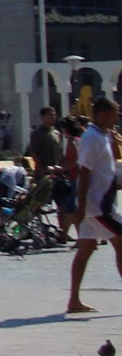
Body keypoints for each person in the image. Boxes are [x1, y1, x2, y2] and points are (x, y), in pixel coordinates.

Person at [67, 96, 122, 314]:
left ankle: (74, 301)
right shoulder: (91, 138)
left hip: (101, 203)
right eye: (113, 114)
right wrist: (81, 207)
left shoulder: (104, 136)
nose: (116, 118)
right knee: (120, 241)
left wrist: (115, 141)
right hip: (97, 206)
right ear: (101, 114)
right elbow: (84, 172)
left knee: (85, 249)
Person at [26, 107, 62, 181]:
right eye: (50, 115)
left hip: (56, 171)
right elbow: (33, 153)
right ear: (43, 117)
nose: (53, 117)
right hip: (44, 172)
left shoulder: (57, 133)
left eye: (54, 115)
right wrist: (41, 171)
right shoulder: (37, 133)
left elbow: (60, 152)